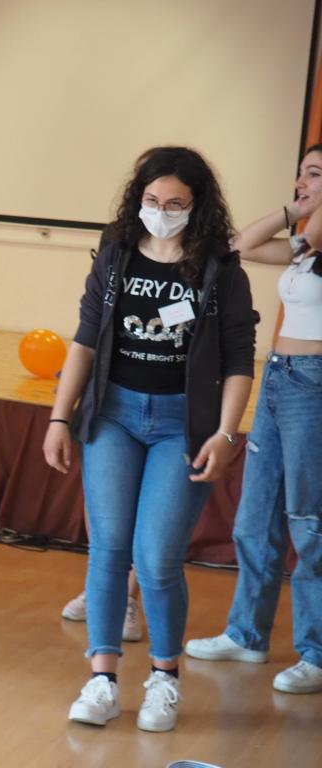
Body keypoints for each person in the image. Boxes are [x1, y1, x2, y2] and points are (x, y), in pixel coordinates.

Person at [43, 147, 257, 732]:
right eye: (151, 201)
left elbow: (240, 359)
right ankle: (103, 679)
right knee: (108, 550)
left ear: (197, 206)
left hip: (181, 425)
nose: (160, 213)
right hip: (113, 416)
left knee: (157, 558)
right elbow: (85, 338)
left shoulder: (220, 270)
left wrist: (225, 433)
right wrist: (60, 419)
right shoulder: (115, 255)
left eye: (175, 204)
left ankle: (165, 677)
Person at [185, 144, 322, 695]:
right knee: (255, 515)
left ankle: (316, 651)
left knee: (309, 523)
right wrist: (295, 208)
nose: (304, 182)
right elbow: (238, 246)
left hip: (314, 386)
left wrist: (309, 213)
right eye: (303, 173)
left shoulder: (316, 239)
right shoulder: (304, 245)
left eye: (316, 174)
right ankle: (247, 634)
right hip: (281, 376)